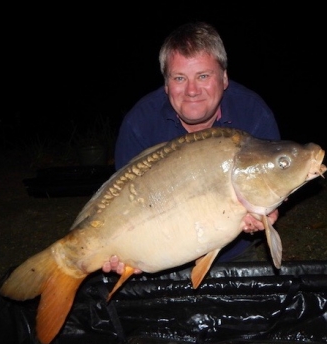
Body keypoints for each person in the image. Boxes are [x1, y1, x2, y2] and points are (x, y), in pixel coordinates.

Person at [102, 21, 280, 274]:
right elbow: (122, 204)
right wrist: (130, 254)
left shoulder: (254, 114)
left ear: (225, 78)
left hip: (235, 252)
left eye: (203, 76)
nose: (192, 90)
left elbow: (268, 184)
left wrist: (267, 212)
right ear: (166, 84)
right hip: (163, 256)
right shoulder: (139, 123)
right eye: (179, 78)